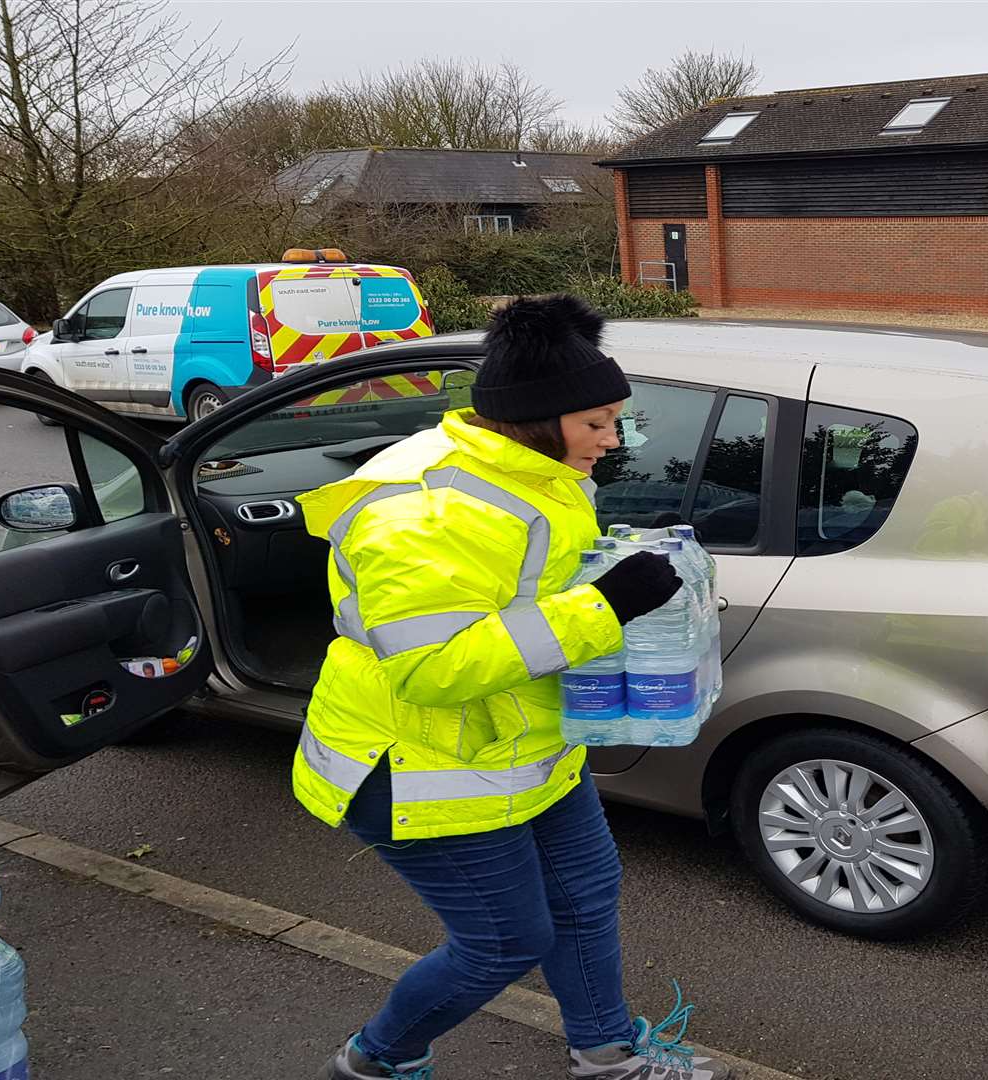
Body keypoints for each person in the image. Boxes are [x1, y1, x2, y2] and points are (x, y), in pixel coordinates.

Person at [290, 294, 735, 1080]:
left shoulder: (529, 470)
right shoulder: (428, 513)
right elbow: (433, 668)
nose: (613, 439)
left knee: (587, 893)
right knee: (504, 942)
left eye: (616, 418)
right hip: (421, 767)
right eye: (597, 421)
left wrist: (621, 553)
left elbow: (522, 585)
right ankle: (375, 1061)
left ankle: (606, 1055)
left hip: (526, 742)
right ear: (538, 415)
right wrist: (606, 604)